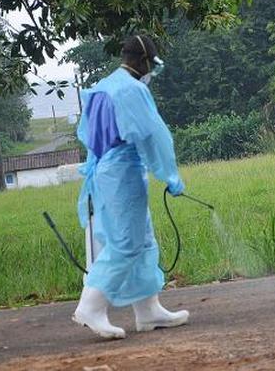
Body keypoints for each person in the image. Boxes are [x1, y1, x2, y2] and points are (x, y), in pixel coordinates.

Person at [73, 35, 188, 339]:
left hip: (108, 171)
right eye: (153, 65)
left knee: (143, 239)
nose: (153, 72)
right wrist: (170, 175)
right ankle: (91, 305)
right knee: (126, 243)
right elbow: (152, 135)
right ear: (144, 61)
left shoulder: (103, 86)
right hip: (122, 171)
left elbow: (87, 135)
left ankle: (148, 310)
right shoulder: (131, 90)